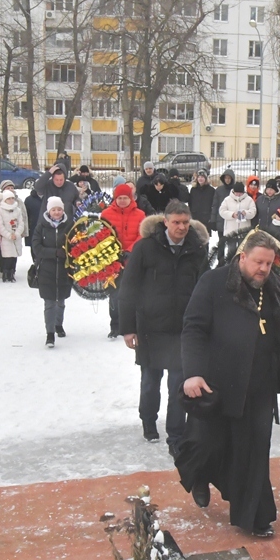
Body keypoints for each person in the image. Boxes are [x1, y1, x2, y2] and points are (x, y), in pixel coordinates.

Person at [179, 230, 280, 537]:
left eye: (269, 264)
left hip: (259, 385)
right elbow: (193, 328)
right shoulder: (214, 282)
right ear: (243, 257)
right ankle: (200, 475)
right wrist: (192, 372)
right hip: (218, 382)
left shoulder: (272, 286)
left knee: (253, 452)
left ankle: (256, 518)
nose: (264, 270)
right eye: (259, 262)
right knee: (206, 445)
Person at [117, 200, 209, 453]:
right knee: (150, 381)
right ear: (165, 222)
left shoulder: (198, 250)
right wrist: (127, 328)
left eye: (185, 223)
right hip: (150, 328)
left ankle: (176, 436)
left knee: (179, 386)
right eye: (176, 222)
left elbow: (205, 290)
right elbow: (128, 289)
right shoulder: (145, 248)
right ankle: (148, 421)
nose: (181, 227)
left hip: (183, 330)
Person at [101, 183, 146, 339]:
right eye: (119, 198)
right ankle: (115, 325)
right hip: (112, 261)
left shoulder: (140, 215)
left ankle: (131, 325)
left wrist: (130, 250)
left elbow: (142, 234)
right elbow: (102, 235)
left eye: (125, 198)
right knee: (114, 294)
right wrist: (112, 251)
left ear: (130, 198)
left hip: (132, 260)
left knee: (132, 294)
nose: (121, 200)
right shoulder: (106, 214)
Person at [32, 197, 74, 347]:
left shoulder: (69, 225)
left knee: (61, 301)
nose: (57, 212)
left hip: (64, 270)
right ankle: (50, 334)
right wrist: (55, 253)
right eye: (54, 209)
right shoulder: (41, 227)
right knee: (49, 303)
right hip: (46, 270)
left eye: (59, 209)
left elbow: (75, 244)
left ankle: (58, 325)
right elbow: (36, 248)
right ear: (49, 211)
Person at [0, 189, 29, 282]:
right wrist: (8, 235)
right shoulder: (0, 210)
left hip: (16, 236)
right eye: (8, 198)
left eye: (12, 198)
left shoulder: (17, 209)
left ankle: (12, 273)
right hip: (6, 237)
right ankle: (5, 273)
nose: (11, 200)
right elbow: (0, 225)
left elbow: (21, 223)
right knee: (7, 256)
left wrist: (17, 233)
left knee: (14, 255)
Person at [219, 181, 256, 262]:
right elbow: (222, 211)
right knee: (231, 251)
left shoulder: (249, 200)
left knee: (242, 252)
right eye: (237, 193)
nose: (238, 195)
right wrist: (232, 214)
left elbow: (253, 212)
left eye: (240, 193)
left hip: (243, 232)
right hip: (231, 232)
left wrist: (246, 213)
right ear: (233, 192)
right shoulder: (227, 200)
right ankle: (230, 266)